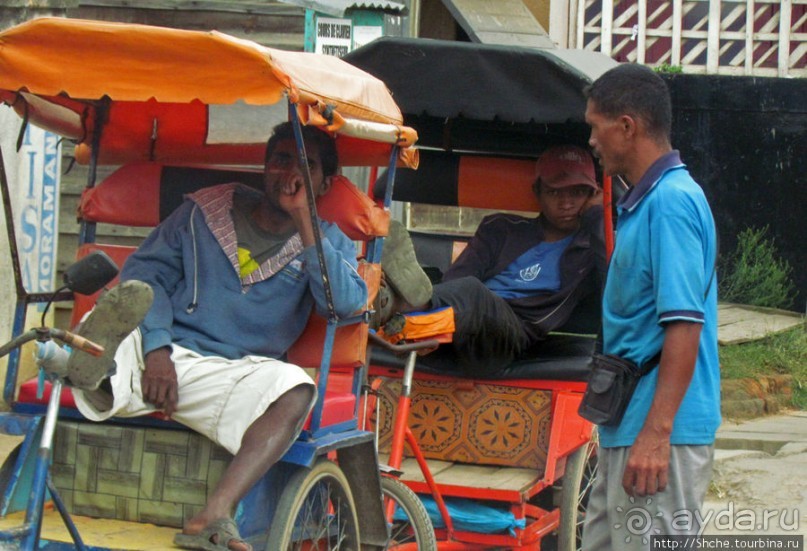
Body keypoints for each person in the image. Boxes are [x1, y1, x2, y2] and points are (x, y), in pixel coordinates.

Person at [68, 122, 367, 551]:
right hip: (162, 353)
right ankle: (85, 367)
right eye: (282, 160)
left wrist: (305, 221)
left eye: (307, 165)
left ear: (324, 183)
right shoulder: (202, 212)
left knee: (296, 388)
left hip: (234, 373)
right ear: (265, 167)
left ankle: (214, 513)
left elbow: (344, 304)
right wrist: (157, 349)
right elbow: (146, 275)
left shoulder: (327, 240)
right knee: (105, 321)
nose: (291, 173)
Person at [580, 64, 719, 549]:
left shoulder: (671, 203)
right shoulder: (646, 202)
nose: (591, 141)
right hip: (630, 428)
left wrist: (656, 433)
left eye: (595, 126)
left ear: (627, 126)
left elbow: (684, 326)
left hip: (660, 437)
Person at [379, 145, 605, 376]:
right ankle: (403, 315)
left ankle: (405, 309)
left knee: (473, 293)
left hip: (508, 338)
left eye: (577, 193)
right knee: (459, 290)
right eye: (554, 192)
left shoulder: (592, 249)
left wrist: (597, 215)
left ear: (592, 194)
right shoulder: (500, 229)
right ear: (537, 192)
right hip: (458, 330)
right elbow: (456, 278)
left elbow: (616, 286)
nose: (566, 203)